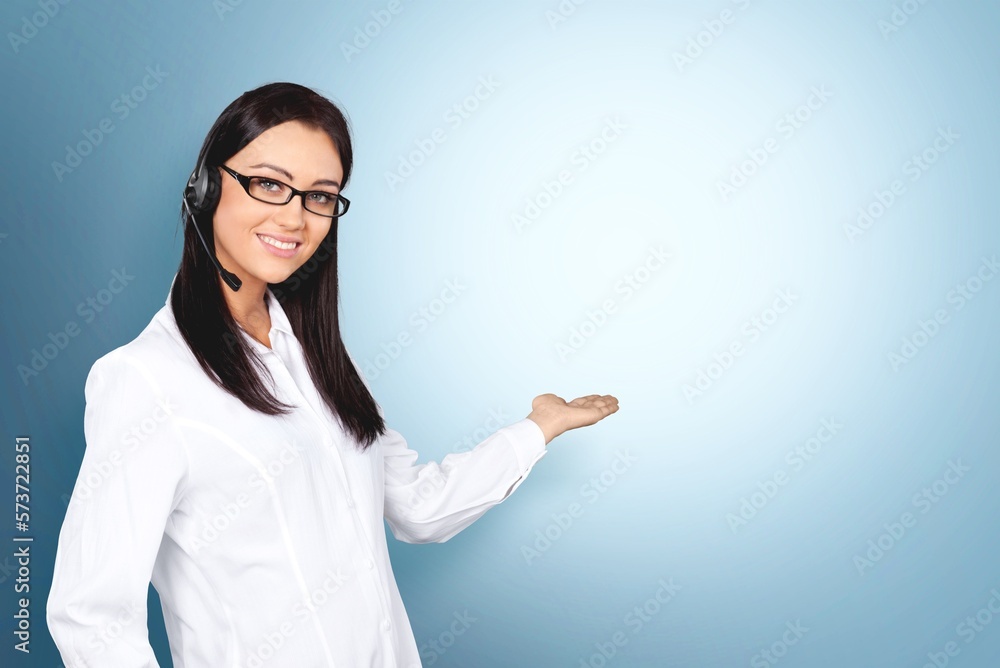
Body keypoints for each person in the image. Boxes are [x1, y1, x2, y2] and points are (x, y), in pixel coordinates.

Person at [46, 81, 619, 667]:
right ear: (206, 187)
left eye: (320, 196)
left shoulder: (319, 361)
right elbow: (92, 617)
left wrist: (537, 428)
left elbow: (419, 508)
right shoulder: (146, 379)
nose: (295, 217)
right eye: (269, 184)